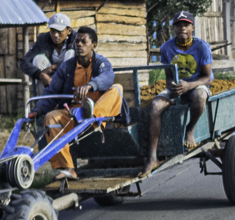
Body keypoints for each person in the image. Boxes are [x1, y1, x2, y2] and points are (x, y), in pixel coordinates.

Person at [34, 26, 123, 180]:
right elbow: (52, 91)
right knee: (50, 117)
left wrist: (90, 86)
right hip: (74, 114)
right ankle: (68, 168)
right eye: (77, 41)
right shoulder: (67, 66)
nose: (79, 45)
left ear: (93, 45)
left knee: (117, 88)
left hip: (99, 116)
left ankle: (92, 116)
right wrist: (37, 109)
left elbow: (108, 77)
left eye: (84, 42)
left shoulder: (101, 63)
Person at [139, 11, 214, 178]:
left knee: (200, 97)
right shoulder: (167, 48)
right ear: (174, 28)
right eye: (178, 25)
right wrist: (172, 87)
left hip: (196, 84)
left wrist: (189, 85)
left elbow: (208, 78)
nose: (182, 28)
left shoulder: (202, 47)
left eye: (186, 25)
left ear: (192, 27)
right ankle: (152, 158)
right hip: (178, 87)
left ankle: (190, 129)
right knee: (155, 106)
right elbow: (169, 77)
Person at [20, 13, 75, 90]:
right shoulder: (43, 39)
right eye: (53, 31)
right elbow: (24, 62)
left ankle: (66, 92)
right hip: (49, 79)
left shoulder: (76, 39)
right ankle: (44, 95)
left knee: (71, 53)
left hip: (69, 79)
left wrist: (55, 67)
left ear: (69, 31)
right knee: (38, 58)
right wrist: (40, 74)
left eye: (59, 31)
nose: (55, 35)